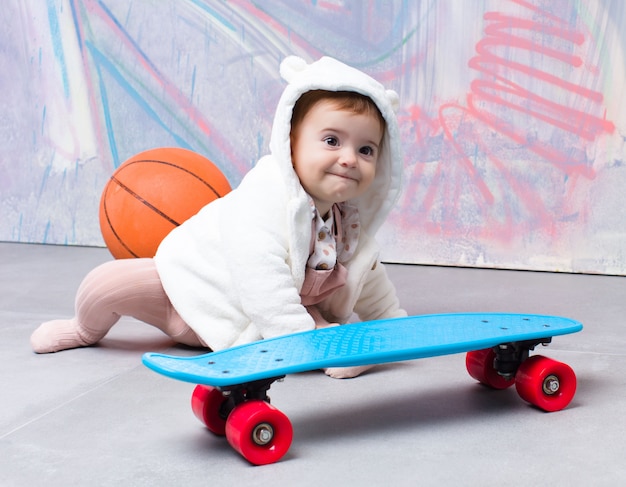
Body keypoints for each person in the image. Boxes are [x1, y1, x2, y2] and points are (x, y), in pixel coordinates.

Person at [30, 55, 407, 378]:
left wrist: (390, 318)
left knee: (327, 326)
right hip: (186, 294)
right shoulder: (265, 199)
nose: (348, 158)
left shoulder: (347, 223)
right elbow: (260, 275)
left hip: (263, 321)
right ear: (289, 142)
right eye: (331, 140)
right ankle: (82, 329)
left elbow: (363, 275)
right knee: (107, 285)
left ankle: (336, 345)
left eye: (366, 149)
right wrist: (302, 344)